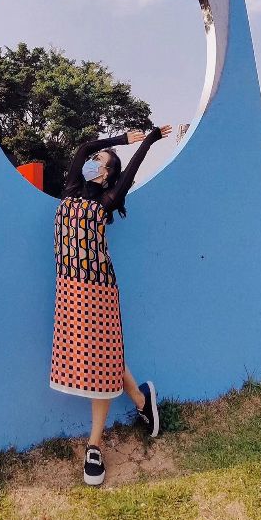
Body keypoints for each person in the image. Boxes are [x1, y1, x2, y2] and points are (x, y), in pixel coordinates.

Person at [49, 123, 172, 486]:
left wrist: (149, 140)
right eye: (94, 159)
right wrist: (119, 139)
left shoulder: (107, 201)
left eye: (98, 161)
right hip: (67, 287)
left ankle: (94, 445)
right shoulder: (70, 189)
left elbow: (131, 170)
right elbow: (83, 146)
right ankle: (141, 400)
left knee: (100, 362)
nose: (91, 162)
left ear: (105, 175)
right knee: (100, 357)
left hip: (99, 290)